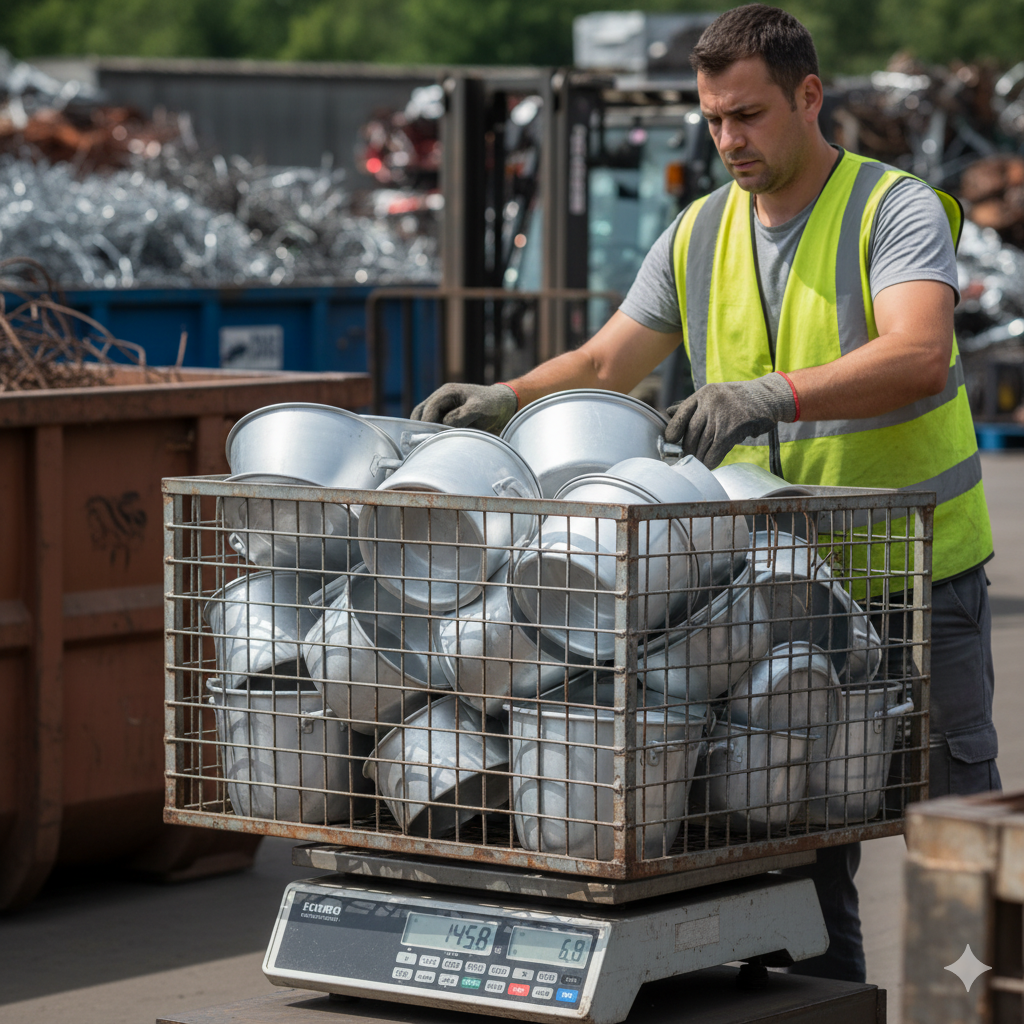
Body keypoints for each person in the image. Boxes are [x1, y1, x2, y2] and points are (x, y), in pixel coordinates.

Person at [412, 4, 1000, 983]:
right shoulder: (697, 233)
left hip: (915, 574)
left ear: (808, 97)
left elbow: (920, 354)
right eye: (714, 119)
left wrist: (771, 394)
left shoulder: (890, 208)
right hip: (779, 588)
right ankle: (829, 1004)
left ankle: (974, 1001)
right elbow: (608, 359)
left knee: (953, 830)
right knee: (798, 827)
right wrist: (506, 397)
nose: (728, 139)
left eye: (748, 115)